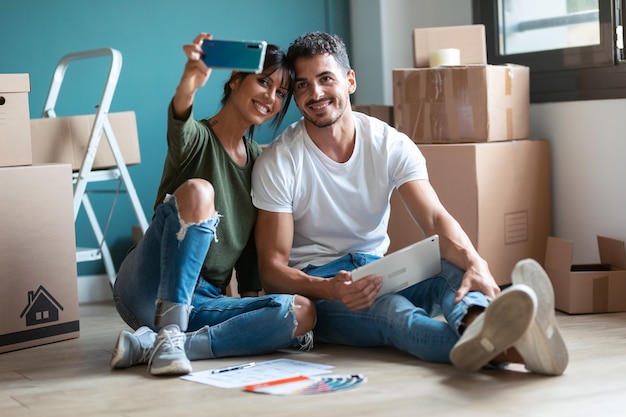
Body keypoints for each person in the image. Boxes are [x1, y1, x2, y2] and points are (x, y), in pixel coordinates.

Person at [251, 31, 568, 375]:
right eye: (302, 85)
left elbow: (434, 218)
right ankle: (518, 349)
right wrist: (330, 289)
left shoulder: (388, 143)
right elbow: (272, 272)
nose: (315, 93)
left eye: (326, 78)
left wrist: (476, 262)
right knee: (394, 313)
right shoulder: (281, 161)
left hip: (379, 269)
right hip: (322, 286)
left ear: (350, 81)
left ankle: (478, 321)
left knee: (454, 267)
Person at [110, 33, 316, 376]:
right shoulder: (198, 139)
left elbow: (251, 251)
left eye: (281, 93)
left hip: (203, 301)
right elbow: (180, 120)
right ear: (235, 81)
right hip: (150, 285)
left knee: (301, 311)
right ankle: (172, 333)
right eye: (263, 82)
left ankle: (155, 344)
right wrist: (190, 81)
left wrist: (251, 303)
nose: (271, 97)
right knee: (200, 191)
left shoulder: (259, 161)